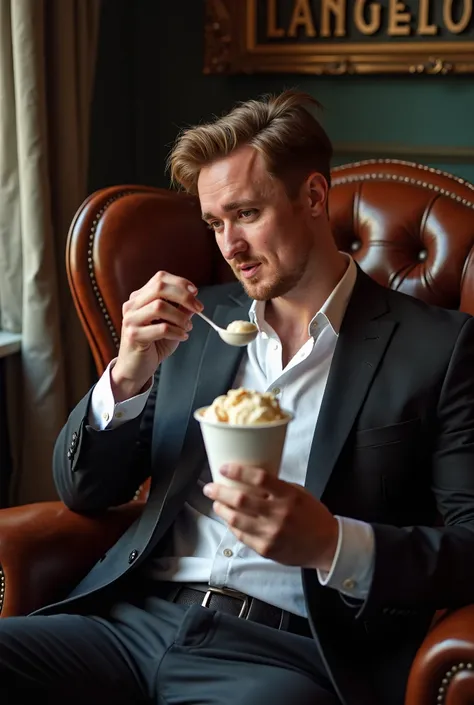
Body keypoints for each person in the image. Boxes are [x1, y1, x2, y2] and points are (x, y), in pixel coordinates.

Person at [1, 90, 474, 705]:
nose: (229, 246)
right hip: (132, 623)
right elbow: (85, 490)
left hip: (288, 654)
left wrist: (332, 542)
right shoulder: (198, 323)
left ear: (311, 197)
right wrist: (128, 372)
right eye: (214, 223)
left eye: (246, 214)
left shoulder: (439, 349)